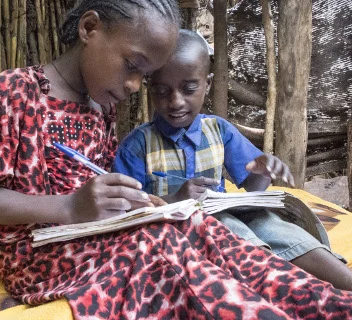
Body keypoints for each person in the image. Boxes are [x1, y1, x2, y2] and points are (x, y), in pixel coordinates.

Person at [0, 2, 352, 318]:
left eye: (141, 77)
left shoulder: (98, 106)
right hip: (38, 256)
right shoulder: (16, 90)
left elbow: (97, 188)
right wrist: (69, 206)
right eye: (132, 66)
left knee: (200, 226)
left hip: (93, 235)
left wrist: (138, 204)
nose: (132, 86)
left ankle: (326, 302)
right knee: (158, 245)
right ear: (90, 29)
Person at [114, 29, 352, 292]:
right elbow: (126, 213)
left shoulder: (219, 130)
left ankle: (345, 283)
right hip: (180, 234)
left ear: (207, 84)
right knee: (232, 229)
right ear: (149, 89)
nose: (176, 101)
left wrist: (262, 171)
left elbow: (253, 186)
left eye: (189, 88)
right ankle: (287, 290)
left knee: (272, 225)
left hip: (225, 216)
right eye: (161, 91)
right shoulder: (137, 146)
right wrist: (172, 200)